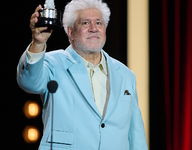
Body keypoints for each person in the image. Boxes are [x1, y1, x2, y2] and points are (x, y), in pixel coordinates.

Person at [17, 0, 148, 149]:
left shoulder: (125, 74)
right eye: (85, 23)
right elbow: (29, 82)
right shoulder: (52, 63)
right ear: (71, 32)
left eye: (99, 23)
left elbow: (135, 133)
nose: (94, 29)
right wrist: (38, 43)